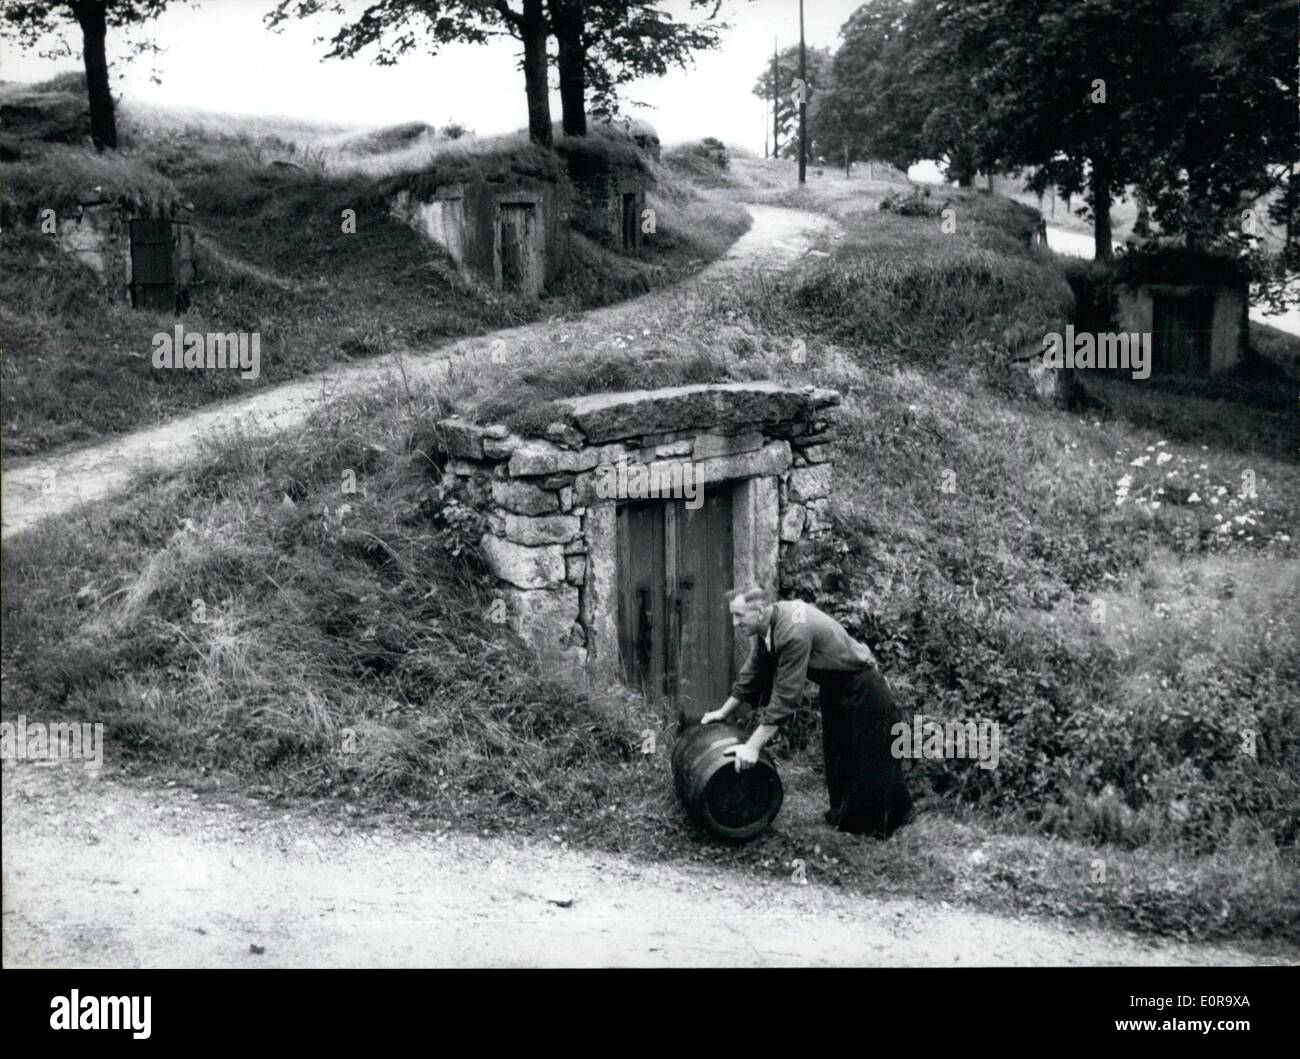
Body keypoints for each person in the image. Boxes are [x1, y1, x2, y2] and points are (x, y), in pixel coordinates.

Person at [701, 586, 912, 838]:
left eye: (739, 615)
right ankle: (847, 821)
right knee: (839, 754)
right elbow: (752, 674)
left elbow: (785, 699)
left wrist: (753, 747)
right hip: (835, 688)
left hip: (863, 688)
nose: (735, 622)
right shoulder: (768, 627)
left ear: (758, 611)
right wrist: (723, 713)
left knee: (868, 759)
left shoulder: (792, 633)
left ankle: (885, 827)